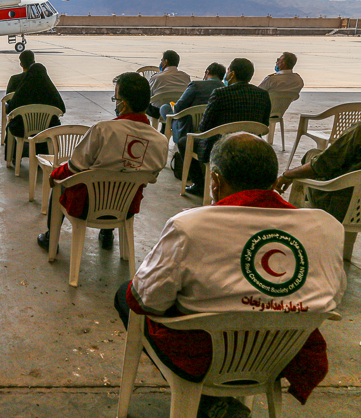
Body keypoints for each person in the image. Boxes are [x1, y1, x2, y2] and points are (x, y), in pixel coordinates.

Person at [115, 133, 346, 417]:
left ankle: (207, 401)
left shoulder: (190, 226)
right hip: (278, 355)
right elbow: (333, 296)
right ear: (275, 184)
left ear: (215, 181)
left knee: (125, 295)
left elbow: (146, 301)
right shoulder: (327, 228)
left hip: (206, 358)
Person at [36, 72, 167, 251]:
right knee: (121, 181)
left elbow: (75, 166)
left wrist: (54, 175)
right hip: (126, 207)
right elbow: (151, 176)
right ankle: (107, 233)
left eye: (116, 98)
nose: (116, 102)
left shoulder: (103, 130)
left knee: (61, 182)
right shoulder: (160, 141)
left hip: (88, 207)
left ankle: (51, 237)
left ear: (124, 103)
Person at [183, 58, 271, 196]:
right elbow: (264, 125)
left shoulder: (221, 94)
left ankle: (199, 184)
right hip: (252, 148)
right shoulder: (263, 95)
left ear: (232, 74)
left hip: (222, 147)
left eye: (228, 70)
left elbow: (205, 126)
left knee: (184, 142)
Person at [275, 118, 361, 223]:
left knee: (311, 155)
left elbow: (320, 166)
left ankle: (297, 224)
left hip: (340, 207)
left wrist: (287, 175)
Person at [159, 62, 225, 143]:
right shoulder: (225, 89)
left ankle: (172, 128)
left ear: (207, 72)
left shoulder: (196, 85)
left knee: (165, 108)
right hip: (213, 132)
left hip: (188, 131)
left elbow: (178, 108)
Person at [147, 50, 190, 119]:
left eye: (162, 61)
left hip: (158, 112)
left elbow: (149, 95)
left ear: (166, 61)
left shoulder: (156, 77)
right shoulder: (186, 76)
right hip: (179, 110)